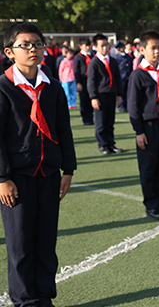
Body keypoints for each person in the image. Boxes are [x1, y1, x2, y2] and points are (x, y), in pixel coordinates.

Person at [0, 22, 77, 307]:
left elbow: (63, 130)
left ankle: (44, 296)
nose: (33, 49)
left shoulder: (53, 87)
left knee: (45, 242)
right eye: (25, 45)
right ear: (10, 52)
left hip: (48, 174)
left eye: (38, 43)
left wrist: (68, 170)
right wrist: (2, 178)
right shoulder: (3, 87)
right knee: (20, 243)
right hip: (16, 178)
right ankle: (25, 300)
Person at [127, 30, 159, 220]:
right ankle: (151, 205)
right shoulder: (138, 75)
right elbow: (133, 105)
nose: (157, 52)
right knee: (149, 168)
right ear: (142, 50)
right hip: (148, 128)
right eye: (152, 48)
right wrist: (139, 131)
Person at [87, 34, 123, 155]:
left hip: (111, 94)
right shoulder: (94, 62)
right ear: (95, 47)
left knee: (110, 122)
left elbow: (117, 78)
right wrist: (94, 97)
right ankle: (102, 145)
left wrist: (119, 94)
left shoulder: (113, 61)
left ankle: (110, 144)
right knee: (100, 123)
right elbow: (91, 81)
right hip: (100, 96)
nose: (105, 48)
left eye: (106, 45)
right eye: (102, 46)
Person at [74, 37, 95, 125]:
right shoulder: (78, 57)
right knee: (84, 100)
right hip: (83, 80)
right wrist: (78, 82)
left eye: (88, 45)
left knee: (92, 98)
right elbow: (76, 71)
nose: (87, 47)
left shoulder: (93, 55)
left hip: (92, 80)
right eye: (85, 45)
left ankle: (91, 117)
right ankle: (86, 119)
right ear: (80, 46)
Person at [114, 41, 134, 112]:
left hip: (128, 76)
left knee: (128, 92)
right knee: (121, 92)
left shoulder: (127, 56)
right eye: (121, 47)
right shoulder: (116, 57)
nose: (123, 48)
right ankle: (121, 106)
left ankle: (127, 105)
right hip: (121, 77)